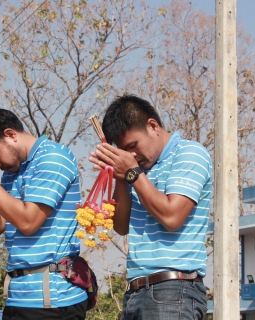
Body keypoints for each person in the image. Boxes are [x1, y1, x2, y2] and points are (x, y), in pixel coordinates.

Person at [0, 109, 87, 320]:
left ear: (11, 134)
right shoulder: (11, 172)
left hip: (53, 300)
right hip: (17, 297)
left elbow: (28, 221)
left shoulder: (53, 157)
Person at [89, 95, 212, 320]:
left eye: (133, 146)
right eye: (124, 151)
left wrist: (132, 172)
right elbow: (121, 225)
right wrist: (119, 175)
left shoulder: (189, 153)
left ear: (153, 126)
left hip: (173, 290)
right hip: (135, 291)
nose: (132, 155)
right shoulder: (137, 171)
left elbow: (172, 216)